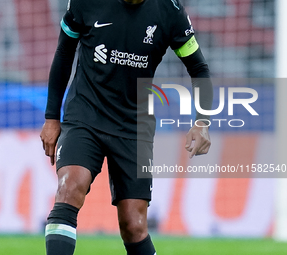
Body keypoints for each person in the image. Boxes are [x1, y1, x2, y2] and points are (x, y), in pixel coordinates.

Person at [40, 0, 213, 254]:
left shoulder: (170, 11)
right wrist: (51, 117)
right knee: (69, 187)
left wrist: (202, 121)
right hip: (86, 115)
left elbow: (198, 67)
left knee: (134, 224)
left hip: (134, 125)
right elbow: (64, 52)